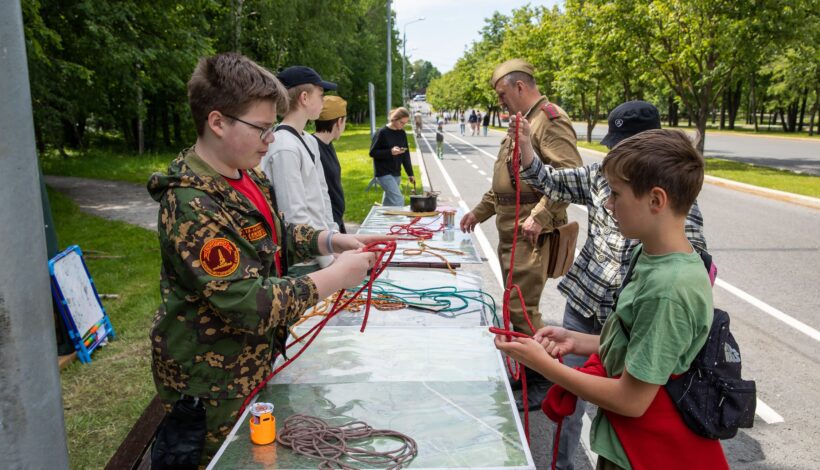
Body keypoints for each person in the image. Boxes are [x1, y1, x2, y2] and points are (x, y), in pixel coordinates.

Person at [147, 53, 386, 466]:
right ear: (218, 122)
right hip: (213, 389)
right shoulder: (192, 204)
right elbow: (248, 303)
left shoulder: (246, 175)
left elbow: (276, 237)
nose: (270, 139)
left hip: (251, 369)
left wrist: (335, 241)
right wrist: (336, 278)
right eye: (261, 128)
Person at [495, 128, 728, 470]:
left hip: (640, 453)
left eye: (616, 194)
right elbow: (638, 343)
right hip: (626, 443)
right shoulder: (651, 255)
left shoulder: (668, 290)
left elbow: (632, 400)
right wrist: (577, 340)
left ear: (656, 200)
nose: (607, 203)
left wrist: (544, 367)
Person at [459, 58, 583, 411]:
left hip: (532, 232)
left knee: (521, 309)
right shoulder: (524, 123)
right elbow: (504, 184)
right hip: (511, 228)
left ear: (519, 87)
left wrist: (542, 216)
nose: (499, 102)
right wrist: (477, 213)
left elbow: (569, 178)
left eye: (502, 94)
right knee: (515, 304)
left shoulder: (549, 121)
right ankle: (530, 371)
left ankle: (543, 377)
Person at [261, 65, 337, 275]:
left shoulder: (308, 141)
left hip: (321, 252)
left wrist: (335, 240)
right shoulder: (284, 147)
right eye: (320, 95)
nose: (323, 101)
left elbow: (322, 197)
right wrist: (328, 261)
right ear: (304, 98)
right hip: (302, 263)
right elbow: (295, 215)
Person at [313, 95, 348, 234]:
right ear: (339, 122)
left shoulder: (327, 144)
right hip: (325, 227)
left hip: (335, 222)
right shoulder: (313, 147)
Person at [369, 107, 416, 206]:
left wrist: (410, 173)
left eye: (405, 123)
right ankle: (399, 221)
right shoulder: (381, 132)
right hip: (383, 173)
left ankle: (384, 220)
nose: (403, 125)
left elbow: (405, 155)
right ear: (394, 119)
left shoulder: (402, 133)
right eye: (401, 122)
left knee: (389, 202)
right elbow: (373, 152)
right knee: (398, 200)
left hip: (396, 172)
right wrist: (390, 152)